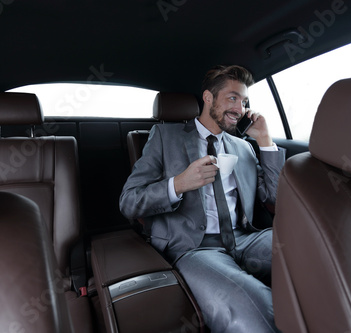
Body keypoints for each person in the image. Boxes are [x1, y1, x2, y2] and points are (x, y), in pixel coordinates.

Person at [119, 65, 285, 333]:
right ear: (208, 97)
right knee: (252, 306)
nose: (239, 109)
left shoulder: (243, 147)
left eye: (243, 101)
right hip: (194, 248)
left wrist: (265, 141)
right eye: (232, 98)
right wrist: (178, 184)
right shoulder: (164, 137)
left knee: (312, 248)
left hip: (244, 238)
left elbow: (276, 198)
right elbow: (129, 202)